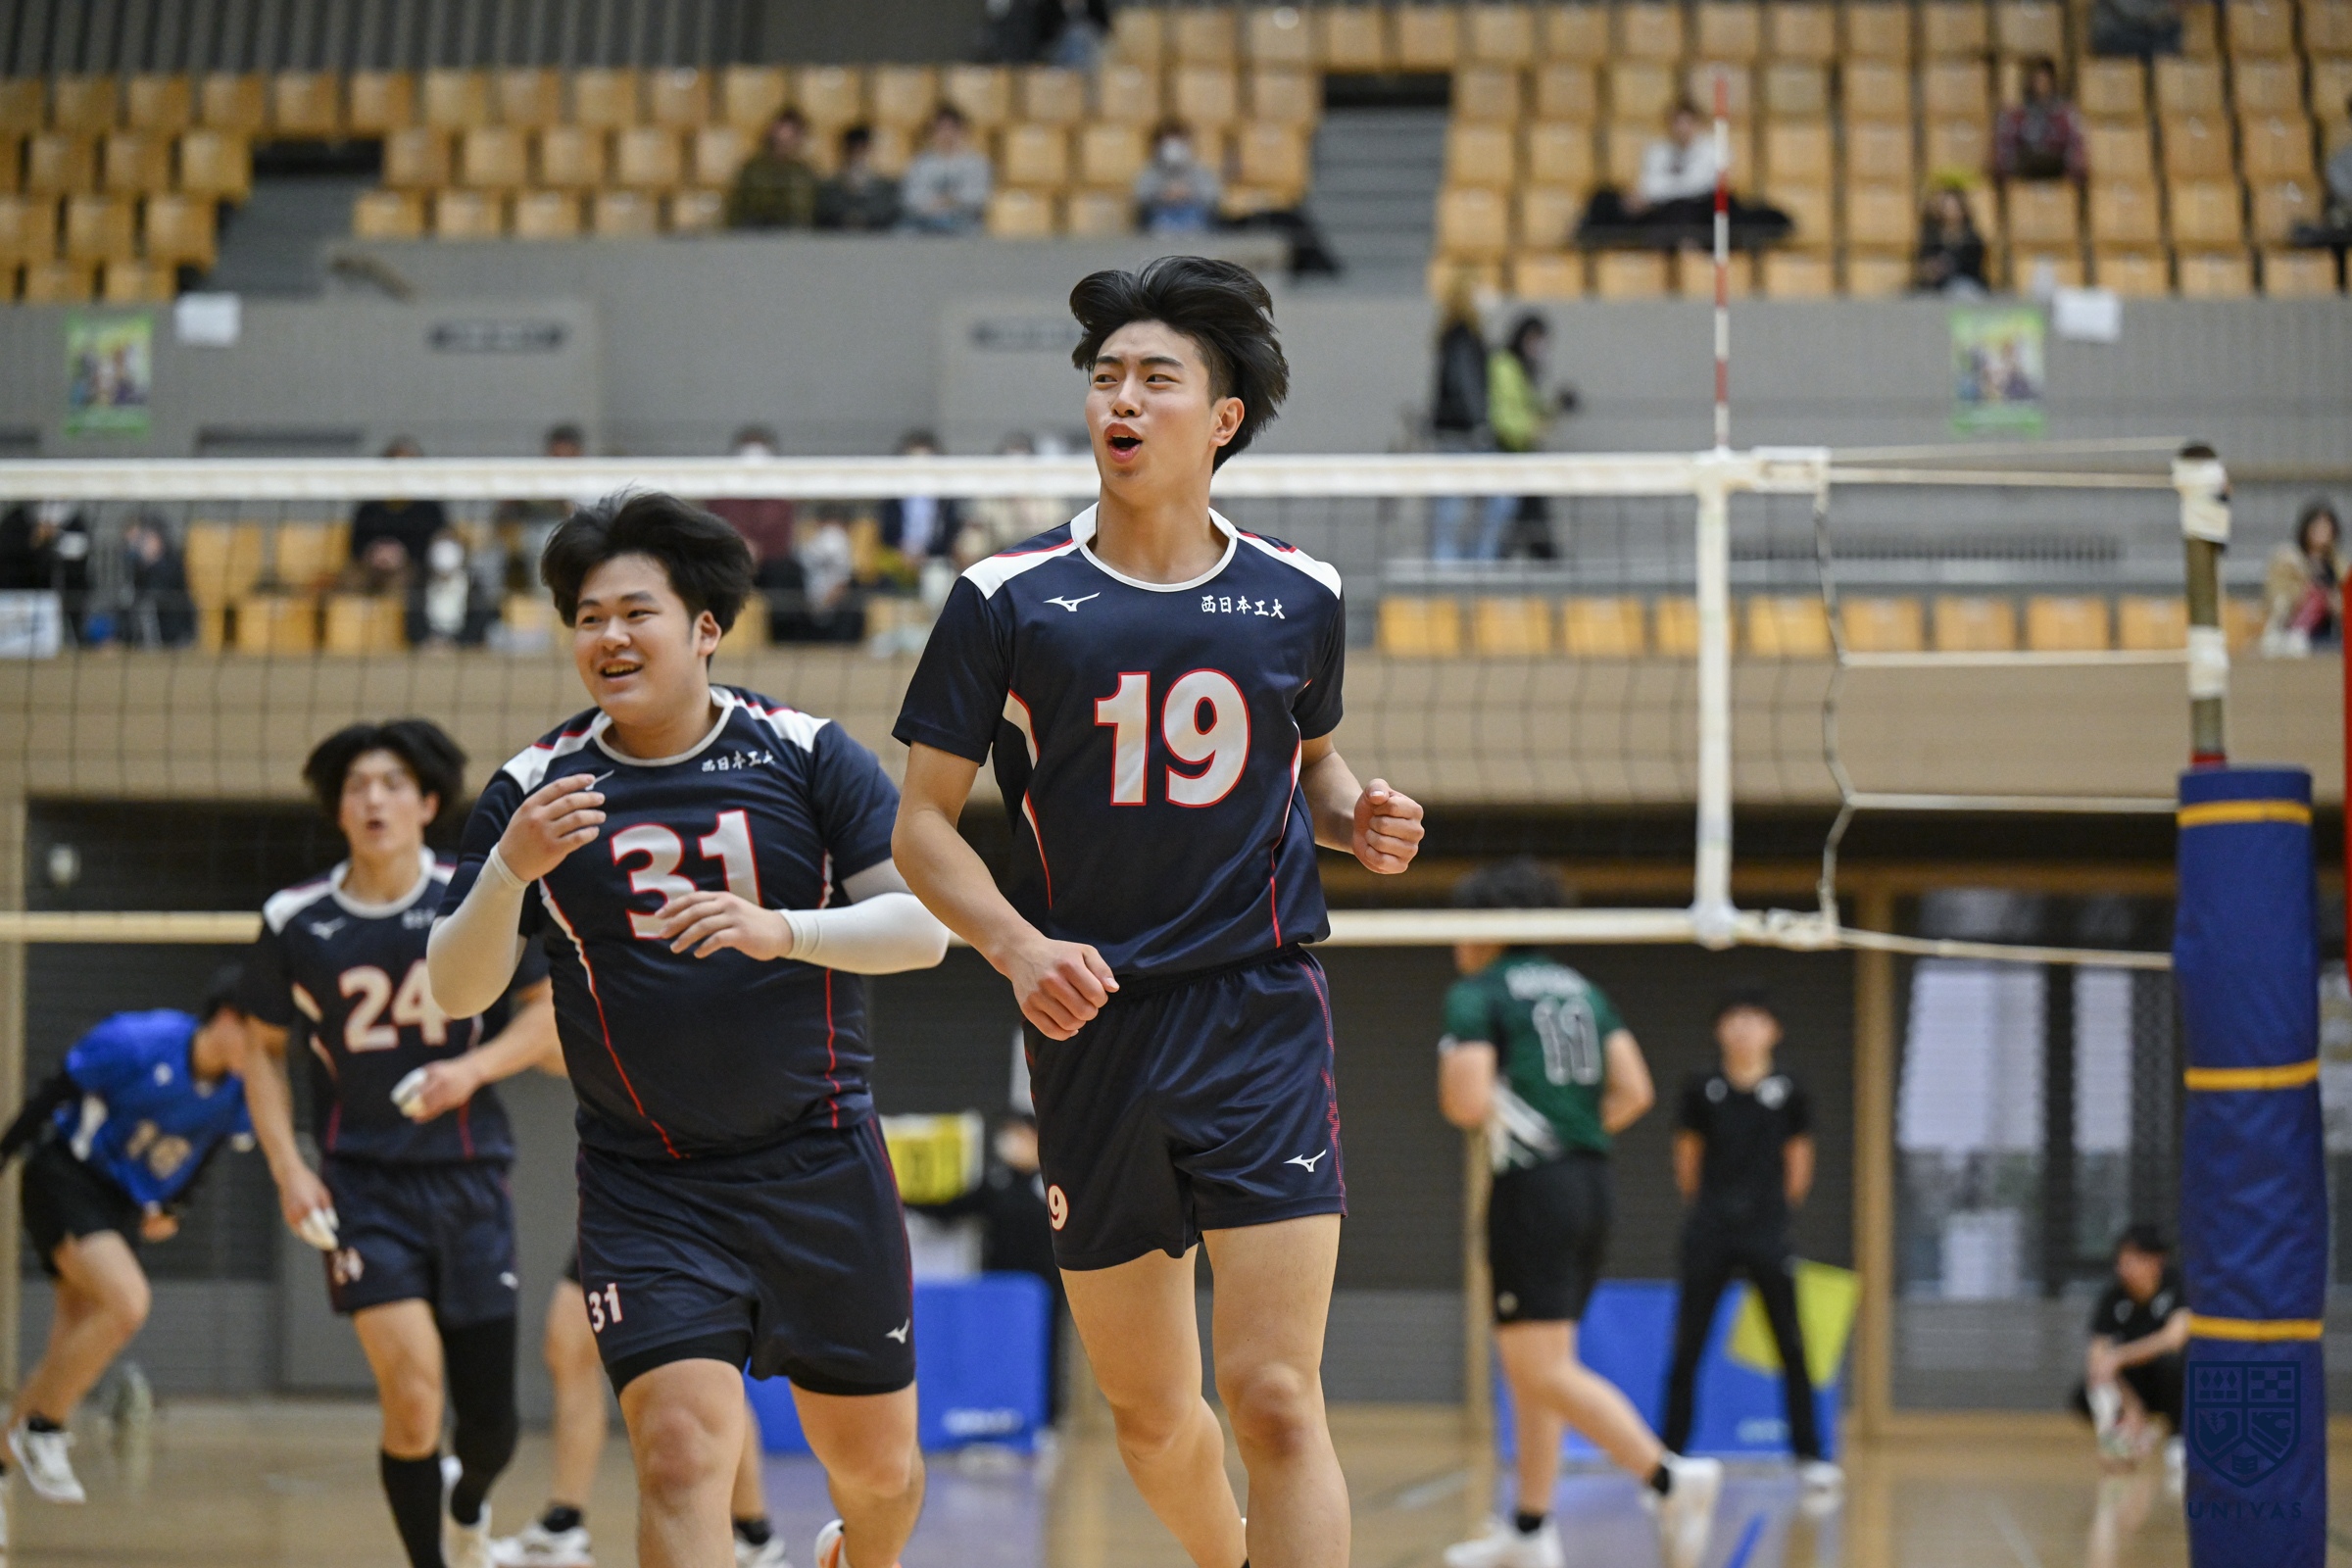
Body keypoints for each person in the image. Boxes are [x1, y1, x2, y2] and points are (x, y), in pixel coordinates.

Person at [891, 255, 1428, 1568]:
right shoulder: (1007, 599)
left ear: (1223, 417)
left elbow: (1312, 766)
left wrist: (1357, 812)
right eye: (1106, 377)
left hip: (1258, 1011)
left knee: (1278, 1396)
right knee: (1149, 1414)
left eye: (1156, 379)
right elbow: (920, 828)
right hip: (1093, 1028)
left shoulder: (1301, 593)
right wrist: (1015, 947)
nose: (1121, 399)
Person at [427, 492, 951, 1568]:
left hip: (819, 1163)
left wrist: (782, 929)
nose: (609, 637)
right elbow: (454, 988)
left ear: (705, 627)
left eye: (636, 613)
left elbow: (923, 930)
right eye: (587, 618)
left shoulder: (804, 753)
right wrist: (508, 870)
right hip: (648, 1184)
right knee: (674, 1456)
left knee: (879, 1471)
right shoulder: (534, 789)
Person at [239, 720, 559, 1568]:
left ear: (426, 802)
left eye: (391, 784)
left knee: (491, 1427)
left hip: (469, 1178)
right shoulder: (294, 919)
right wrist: (289, 1170)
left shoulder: (475, 893)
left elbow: (544, 1015)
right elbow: (259, 1052)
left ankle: (470, 1503)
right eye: (357, 787)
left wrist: (470, 1071)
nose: (373, 799)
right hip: (363, 1187)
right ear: (337, 809)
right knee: (413, 1396)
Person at [1435, 861, 1723, 1568]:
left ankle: (1667, 1477)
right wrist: (1571, 1132)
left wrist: (1519, 1124)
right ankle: (1531, 1529)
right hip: (1589, 1182)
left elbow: (1466, 1102)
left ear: (1487, 928)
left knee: (1539, 1370)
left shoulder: (1479, 993)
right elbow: (1635, 1089)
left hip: (1532, 1191)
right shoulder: (1583, 991)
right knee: (1539, 1364)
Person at [0, 977, 255, 1516]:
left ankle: (6, 1458)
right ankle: (44, 1429)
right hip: (67, 1176)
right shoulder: (141, 1040)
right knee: (128, 1302)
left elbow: (207, 1150)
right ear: (229, 1017)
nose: (267, 1054)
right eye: (261, 1036)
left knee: (64, 1359)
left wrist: (175, 1206)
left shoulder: (237, 1091)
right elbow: (53, 1093)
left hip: (120, 1206)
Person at [1661, 991, 1840, 1496]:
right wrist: (1711, 1210)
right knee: (1687, 1345)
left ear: (1773, 1031)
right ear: (1719, 1030)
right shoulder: (1702, 1088)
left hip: (1766, 1231)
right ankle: (1669, 1456)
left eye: (1754, 1020)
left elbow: (1799, 1164)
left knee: (1792, 1344)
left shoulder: (1790, 1090)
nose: (1743, 1029)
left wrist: (1773, 1214)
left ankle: (1809, 1455)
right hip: (1710, 1229)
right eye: (1733, 1019)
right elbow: (1687, 1162)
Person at [915, 1113, 1068, 1418]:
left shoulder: (1055, 1182)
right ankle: (998, 1411)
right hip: (999, 1286)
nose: (1013, 1143)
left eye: (1020, 1135)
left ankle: (1046, 1415)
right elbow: (951, 1210)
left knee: (1044, 1348)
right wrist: (903, 1202)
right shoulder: (996, 1182)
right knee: (998, 1347)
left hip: (1044, 1287)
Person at [1577, 102, 1789, 246]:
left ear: (1697, 124)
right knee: (1604, 198)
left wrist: (1658, 193)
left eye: (1687, 122)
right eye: (1677, 123)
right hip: (1664, 211)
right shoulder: (1657, 150)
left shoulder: (1714, 149)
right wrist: (1650, 195)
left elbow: (1699, 185)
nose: (1682, 128)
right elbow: (1648, 183)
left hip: (1700, 211)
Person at [2074, 1225, 2188, 1474]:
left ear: (2156, 1261)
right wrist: (2131, 1406)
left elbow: (2174, 1338)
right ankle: (2123, 1435)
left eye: (2133, 1260)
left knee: (2173, 1365)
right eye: (2122, 1260)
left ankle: (2179, 1439)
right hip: (2135, 1385)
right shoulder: (2113, 1297)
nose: (2124, 1268)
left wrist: (2120, 1356)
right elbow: (2097, 1356)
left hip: (2170, 1381)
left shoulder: (2178, 1286)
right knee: (2086, 1390)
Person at [1427, 278, 1515, 563]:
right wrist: (1481, 426)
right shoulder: (1462, 337)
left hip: (1458, 434)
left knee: (1459, 501)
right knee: (1454, 503)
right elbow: (1467, 385)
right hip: (1462, 436)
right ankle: (1457, 561)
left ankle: (1466, 558)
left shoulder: (1462, 337)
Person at [1488, 316, 1559, 561]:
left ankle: (1541, 553)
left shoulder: (1524, 370)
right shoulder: (1504, 366)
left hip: (1522, 456)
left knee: (1528, 512)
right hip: (1505, 454)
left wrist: (1557, 407)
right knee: (1501, 516)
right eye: (1536, 341)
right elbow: (1504, 416)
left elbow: (1533, 411)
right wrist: (1530, 430)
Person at [495, 425, 589, 595]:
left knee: (548, 538)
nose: (561, 464)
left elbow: (587, 519)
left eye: (566, 458)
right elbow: (503, 516)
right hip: (535, 536)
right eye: (556, 458)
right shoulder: (538, 478)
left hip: (578, 538)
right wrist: (513, 500)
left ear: (578, 454)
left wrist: (562, 500)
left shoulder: (593, 481)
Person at [350, 439, 452, 594]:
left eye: (407, 467)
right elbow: (356, 548)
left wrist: (402, 557)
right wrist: (375, 554)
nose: (401, 475)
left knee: (402, 580)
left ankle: (401, 608)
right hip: (372, 570)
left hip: (414, 572)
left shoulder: (429, 508)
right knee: (352, 578)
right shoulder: (369, 508)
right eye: (395, 467)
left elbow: (434, 546)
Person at [955, 432, 1070, 568]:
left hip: (1040, 555)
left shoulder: (1048, 494)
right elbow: (978, 523)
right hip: (1000, 552)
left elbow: (1060, 529)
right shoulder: (992, 494)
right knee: (971, 541)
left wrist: (1026, 508)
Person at [2264, 498, 2344, 653]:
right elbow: (2277, 598)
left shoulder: (2338, 565)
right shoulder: (2288, 561)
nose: (2321, 532)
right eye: (2317, 527)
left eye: (2325, 527)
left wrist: (2335, 602)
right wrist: (2306, 593)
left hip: (2330, 633)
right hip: (2296, 631)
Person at [899, 105, 993, 234]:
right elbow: (911, 198)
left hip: (964, 224)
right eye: (940, 130)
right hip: (925, 223)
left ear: (962, 131)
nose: (946, 135)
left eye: (951, 129)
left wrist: (951, 201)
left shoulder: (976, 163)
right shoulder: (921, 164)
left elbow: (980, 197)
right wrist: (933, 205)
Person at [1993, 60, 2088, 187]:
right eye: (2037, 80)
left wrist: (2075, 170)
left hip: (2055, 167)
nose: (2041, 85)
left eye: (2044, 81)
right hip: (2026, 166)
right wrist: (2003, 171)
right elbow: (2006, 145)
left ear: (2052, 82)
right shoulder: (2017, 114)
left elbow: (2075, 143)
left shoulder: (2065, 113)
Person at [726, 110, 821, 231]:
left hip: (794, 235)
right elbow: (737, 209)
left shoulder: (803, 171)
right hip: (756, 234)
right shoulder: (753, 169)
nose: (786, 137)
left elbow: (808, 212)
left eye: (794, 132)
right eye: (784, 130)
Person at [879, 429, 958, 563]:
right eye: (914, 460)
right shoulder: (893, 496)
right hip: (898, 556)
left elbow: (949, 532)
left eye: (926, 460)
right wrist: (901, 550)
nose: (920, 467)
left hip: (933, 558)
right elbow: (886, 530)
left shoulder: (944, 498)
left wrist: (927, 554)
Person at [120, 512, 196, 647]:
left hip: (173, 629)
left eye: (144, 539)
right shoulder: (139, 567)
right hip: (151, 629)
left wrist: (150, 564)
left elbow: (159, 593)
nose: (138, 546)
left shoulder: (171, 563)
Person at [1134, 121, 1223, 234]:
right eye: (1168, 143)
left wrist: (1190, 193)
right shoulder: (1149, 172)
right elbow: (1139, 197)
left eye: (1178, 142)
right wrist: (1162, 195)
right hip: (1158, 226)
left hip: (1197, 227)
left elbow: (1214, 198)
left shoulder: (1201, 171)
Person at [814, 125, 903, 232]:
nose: (858, 155)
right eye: (853, 149)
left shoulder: (886, 189)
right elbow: (825, 215)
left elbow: (888, 216)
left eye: (863, 149)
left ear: (871, 151)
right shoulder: (830, 189)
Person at [1912, 186, 1989, 295]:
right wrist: (1930, 269)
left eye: (1953, 206)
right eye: (1946, 206)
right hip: (1936, 288)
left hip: (1965, 284)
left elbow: (1974, 267)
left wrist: (1948, 266)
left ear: (1963, 209)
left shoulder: (1972, 238)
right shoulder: (1932, 236)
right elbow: (1922, 262)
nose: (1950, 211)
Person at [2090, 0, 2183, 58]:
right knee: (2162, 46)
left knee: (2173, 30)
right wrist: (2167, 10)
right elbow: (2130, 11)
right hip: (2114, 34)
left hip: (2143, 30)